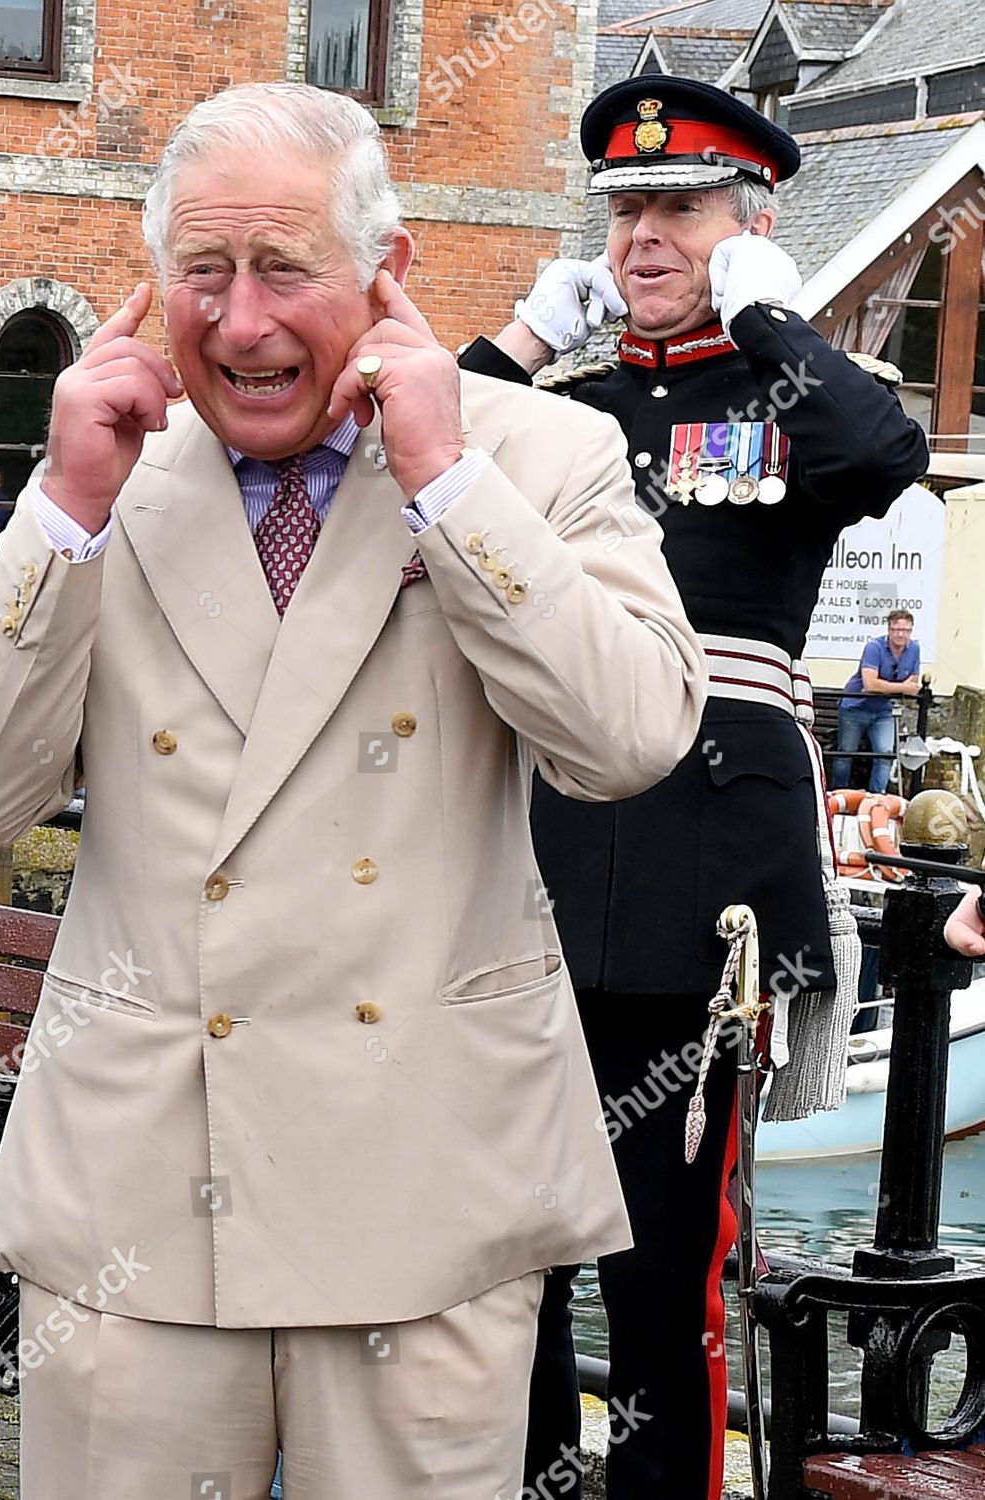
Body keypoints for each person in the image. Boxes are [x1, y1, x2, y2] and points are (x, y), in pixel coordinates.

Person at [0, 81, 706, 1500]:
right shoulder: (108, 469)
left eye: (284, 269)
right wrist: (61, 513)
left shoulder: (533, 456)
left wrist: (447, 486)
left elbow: (628, 736)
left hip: (421, 1190)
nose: (241, 320)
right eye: (201, 272)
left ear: (383, 273)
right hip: (136, 1197)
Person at [461, 75, 929, 1500]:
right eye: (624, 211)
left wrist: (773, 309)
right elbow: (404, 477)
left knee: (664, 1274)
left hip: (703, 896)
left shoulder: (787, 395)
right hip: (539, 865)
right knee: (513, 1257)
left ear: (748, 225)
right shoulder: (570, 404)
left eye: (678, 208)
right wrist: (521, 339)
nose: (643, 235)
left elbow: (884, 453)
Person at [831, 610, 920, 792]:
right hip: (855, 708)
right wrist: (902, 687)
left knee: (885, 754)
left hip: (883, 711)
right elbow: (870, 683)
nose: (901, 634)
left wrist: (885, 686)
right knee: (845, 754)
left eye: (905, 630)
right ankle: (837, 795)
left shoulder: (915, 649)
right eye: (896, 629)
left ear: (911, 631)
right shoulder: (874, 647)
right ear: (889, 629)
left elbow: (914, 681)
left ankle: (877, 798)